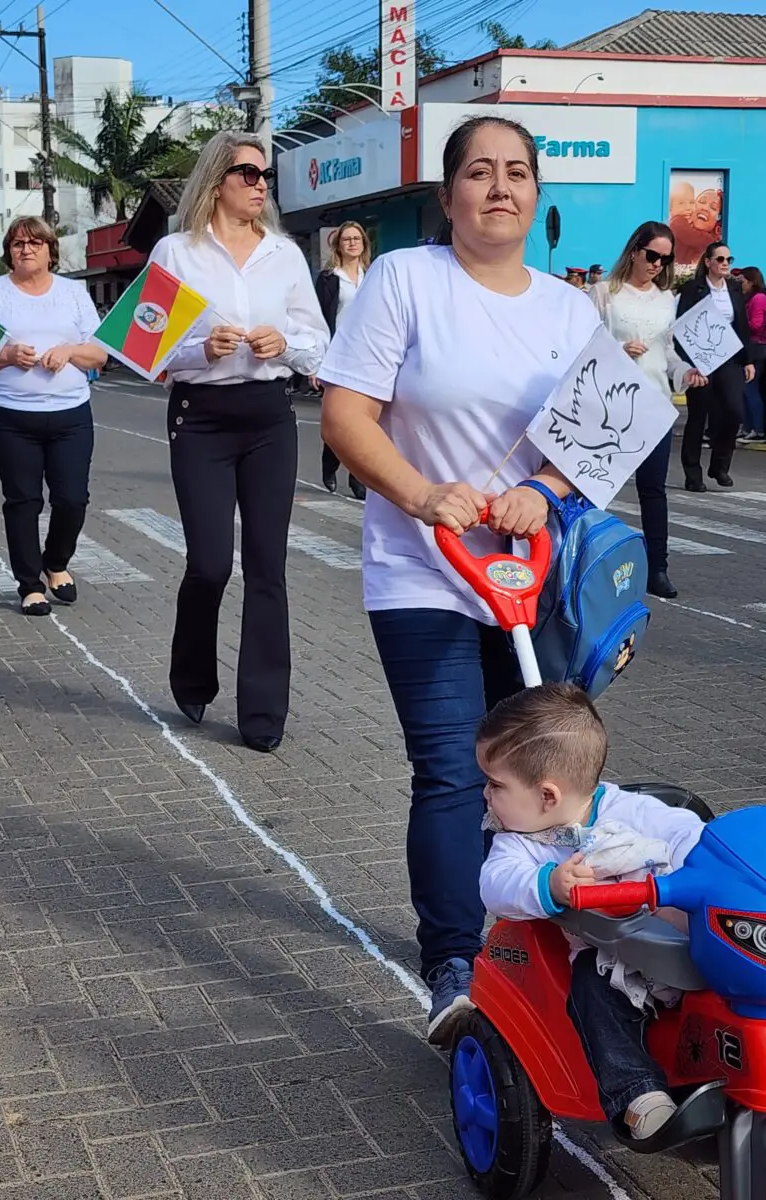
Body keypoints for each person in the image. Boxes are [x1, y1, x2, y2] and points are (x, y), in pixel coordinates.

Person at [319, 114, 603, 1044]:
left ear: (536, 193)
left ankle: (535, 939)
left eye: (517, 171)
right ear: (448, 199)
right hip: (422, 569)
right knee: (451, 771)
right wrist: (421, 493)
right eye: (477, 172)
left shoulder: (569, 309)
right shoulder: (405, 280)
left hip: (532, 580)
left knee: (538, 772)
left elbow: (597, 441)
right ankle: (451, 961)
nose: (499, 187)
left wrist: (543, 489)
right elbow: (346, 415)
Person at [148, 130, 329, 753]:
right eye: (248, 173)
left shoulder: (284, 255)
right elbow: (146, 347)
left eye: (264, 176)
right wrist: (201, 347)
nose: (259, 185)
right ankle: (192, 675)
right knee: (209, 564)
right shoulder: (176, 252)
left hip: (269, 418)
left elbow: (318, 342)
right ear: (216, 181)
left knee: (267, 567)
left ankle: (262, 713)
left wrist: (289, 345)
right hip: (200, 417)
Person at [477, 683, 704, 1139]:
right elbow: (495, 885)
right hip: (605, 955)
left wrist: (708, 858)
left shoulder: (631, 810)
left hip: (676, 945)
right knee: (591, 992)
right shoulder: (517, 840)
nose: (485, 793)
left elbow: (687, 832)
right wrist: (549, 883)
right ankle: (637, 1093)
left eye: (495, 784)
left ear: (547, 796)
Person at [0, 217, 106, 615]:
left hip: (70, 416)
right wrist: (9, 355)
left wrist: (68, 352)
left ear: (51, 250)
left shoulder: (73, 293)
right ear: (8, 252)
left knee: (72, 499)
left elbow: (99, 354)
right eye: (17, 244)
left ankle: (56, 562)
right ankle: (29, 584)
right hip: (8, 417)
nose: (26, 250)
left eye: (34, 243)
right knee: (23, 500)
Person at [589, 221, 707, 600]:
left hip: (654, 401)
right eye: (652, 255)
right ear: (635, 251)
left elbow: (668, 351)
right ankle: (584, 562)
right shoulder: (604, 293)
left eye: (665, 259)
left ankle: (658, 566)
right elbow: (584, 344)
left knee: (653, 490)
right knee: (594, 488)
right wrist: (617, 352)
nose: (657, 264)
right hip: (610, 405)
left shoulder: (664, 298)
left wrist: (685, 371)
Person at [676, 242, 754, 491]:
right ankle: (692, 473)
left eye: (728, 260)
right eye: (720, 259)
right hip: (701, 360)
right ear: (708, 262)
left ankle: (720, 465)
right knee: (698, 416)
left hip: (729, 358)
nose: (725, 264)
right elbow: (682, 327)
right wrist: (686, 363)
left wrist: (748, 359)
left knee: (734, 410)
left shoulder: (734, 288)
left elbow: (742, 324)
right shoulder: (693, 289)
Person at [313, 222, 371, 500]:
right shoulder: (329, 278)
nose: (352, 243)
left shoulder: (372, 275)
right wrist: (317, 362)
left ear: (363, 243)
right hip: (336, 356)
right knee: (338, 416)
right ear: (338, 245)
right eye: (346, 239)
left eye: (356, 239)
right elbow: (319, 319)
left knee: (363, 421)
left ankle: (357, 477)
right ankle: (330, 459)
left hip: (367, 356)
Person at [738, 267, 766, 440]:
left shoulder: (758, 299)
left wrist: (739, 323)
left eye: (742, 281)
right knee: (746, 389)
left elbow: (757, 325)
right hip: (751, 344)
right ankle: (748, 426)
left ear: (751, 281)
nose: (741, 285)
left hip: (756, 346)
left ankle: (758, 428)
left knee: (751, 388)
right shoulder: (750, 298)